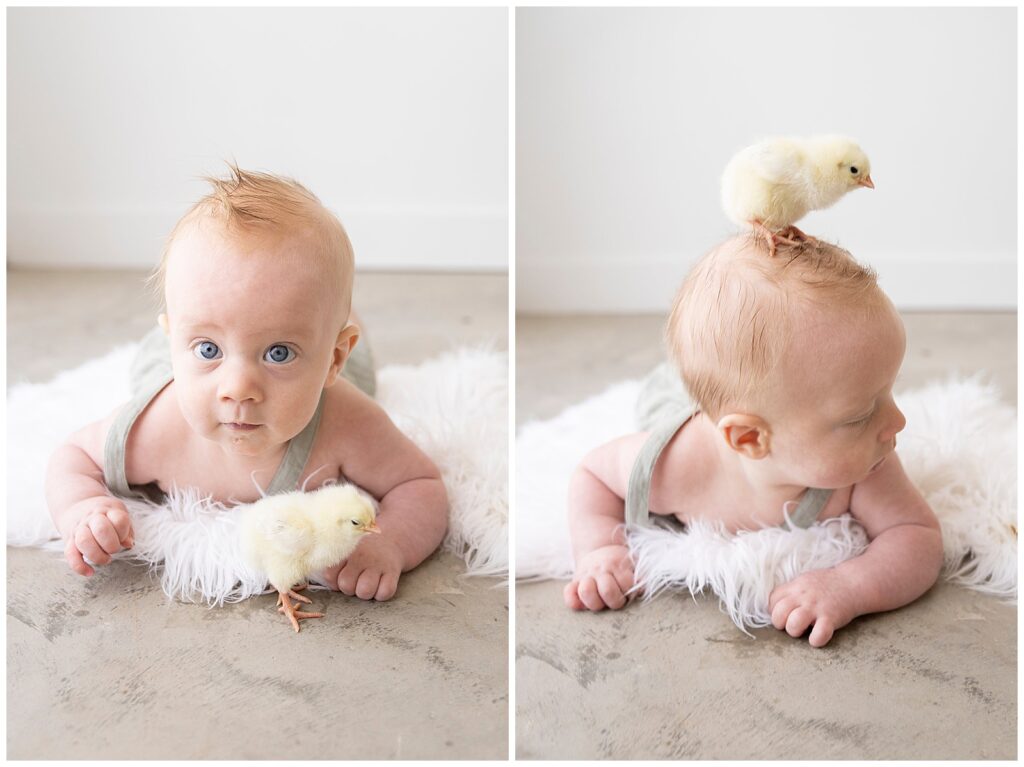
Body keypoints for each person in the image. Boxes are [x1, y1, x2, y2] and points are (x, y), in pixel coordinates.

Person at [45, 165, 448, 602]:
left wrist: (388, 542)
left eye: (279, 353)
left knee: (349, 343)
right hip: (169, 359)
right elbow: (74, 456)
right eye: (208, 350)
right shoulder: (158, 426)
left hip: (327, 360)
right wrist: (82, 509)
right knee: (167, 355)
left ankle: (323, 330)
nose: (238, 389)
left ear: (333, 358)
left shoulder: (346, 422)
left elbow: (420, 486)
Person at [564, 234, 942, 647]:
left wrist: (849, 586)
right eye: (859, 415)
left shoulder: (867, 465)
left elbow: (916, 536)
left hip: (746, 403)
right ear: (749, 438)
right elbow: (592, 475)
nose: (897, 421)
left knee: (742, 377)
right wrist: (599, 549)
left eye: (889, 390)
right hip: (673, 398)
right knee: (680, 384)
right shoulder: (673, 466)